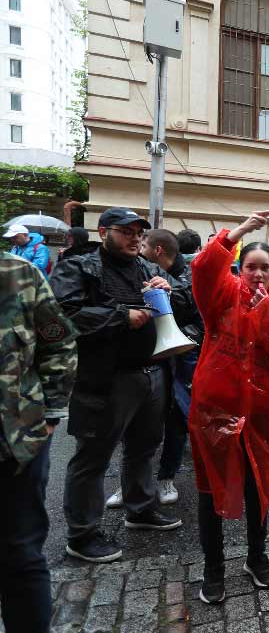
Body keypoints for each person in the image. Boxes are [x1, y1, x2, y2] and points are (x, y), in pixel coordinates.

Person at [51, 207, 191, 563]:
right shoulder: (79, 266)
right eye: (125, 231)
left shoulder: (150, 268)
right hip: (106, 378)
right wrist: (119, 316)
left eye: (138, 232)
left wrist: (169, 290)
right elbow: (61, 314)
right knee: (93, 457)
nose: (134, 238)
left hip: (151, 373)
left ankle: (140, 509)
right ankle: (81, 535)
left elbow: (188, 302)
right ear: (103, 232)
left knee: (145, 448)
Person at [188, 211, 269, 604]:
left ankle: (256, 557)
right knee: (211, 492)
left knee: (260, 490)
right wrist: (237, 233)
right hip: (215, 413)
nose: (257, 274)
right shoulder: (220, 297)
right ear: (240, 269)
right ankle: (214, 567)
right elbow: (204, 270)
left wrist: (267, 312)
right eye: (250, 267)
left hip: (261, 417)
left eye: (265, 269)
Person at [0, 251, 77, 632]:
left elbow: (59, 344)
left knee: (21, 554)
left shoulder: (20, 274)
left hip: (17, 444)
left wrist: (49, 419)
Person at [139, 228, 204, 507]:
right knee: (141, 421)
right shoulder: (140, 271)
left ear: (157, 251)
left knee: (177, 419)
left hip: (183, 357)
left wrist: (179, 338)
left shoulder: (192, 277)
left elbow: (203, 320)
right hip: (149, 357)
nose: (139, 250)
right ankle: (134, 481)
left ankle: (166, 477)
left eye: (143, 245)